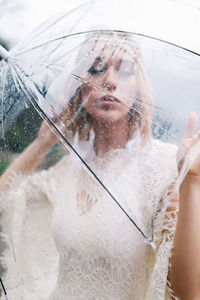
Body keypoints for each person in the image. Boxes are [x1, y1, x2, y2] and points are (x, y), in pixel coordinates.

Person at [0, 32, 200, 300]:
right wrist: (41, 145)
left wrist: (192, 180)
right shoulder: (71, 168)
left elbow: (187, 293)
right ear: (80, 87)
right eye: (96, 68)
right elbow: (4, 202)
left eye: (125, 71)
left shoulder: (166, 167)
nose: (110, 82)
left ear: (139, 88)